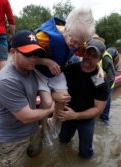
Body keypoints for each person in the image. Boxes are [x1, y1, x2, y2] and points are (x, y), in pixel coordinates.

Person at [0, 30, 54, 167]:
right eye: (28, 54)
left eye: (36, 54)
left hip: (32, 131)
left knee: (36, 156)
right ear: (13, 52)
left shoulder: (31, 70)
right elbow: (26, 116)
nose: (33, 58)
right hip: (11, 140)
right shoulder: (6, 80)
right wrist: (51, 109)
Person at [35, 8, 95, 145]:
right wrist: (46, 61)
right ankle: (43, 128)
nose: (75, 45)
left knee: (65, 97)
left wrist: (99, 68)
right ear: (66, 28)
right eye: (73, 41)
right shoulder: (44, 37)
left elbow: (89, 58)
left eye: (79, 43)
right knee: (47, 102)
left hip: (56, 72)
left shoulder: (79, 39)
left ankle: (52, 122)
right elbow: (23, 56)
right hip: (40, 71)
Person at [56, 39, 109, 159]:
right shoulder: (70, 70)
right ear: (83, 53)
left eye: (94, 55)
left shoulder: (98, 79)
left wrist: (76, 115)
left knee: (85, 152)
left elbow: (98, 110)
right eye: (88, 53)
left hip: (86, 117)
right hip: (68, 114)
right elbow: (54, 85)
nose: (89, 57)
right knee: (62, 141)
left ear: (99, 60)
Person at [99, 48, 116, 124]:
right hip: (102, 83)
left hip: (100, 82)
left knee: (105, 102)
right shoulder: (105, 56)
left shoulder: (104, 56)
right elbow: (111, 76)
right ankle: (104, 119)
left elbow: (110, 76)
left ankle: (103, 119)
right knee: (106, 102)